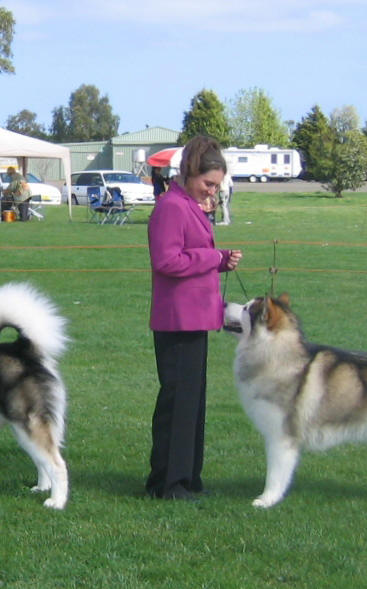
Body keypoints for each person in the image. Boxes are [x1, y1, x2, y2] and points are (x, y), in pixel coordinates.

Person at [145, 135, 242, 500]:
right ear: (189, 173)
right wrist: (213, 259)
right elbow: (167, 261)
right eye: (208, 183)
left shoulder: (189, 206)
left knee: (192, 404)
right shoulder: (171, 206)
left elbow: (194, 253)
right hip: (177, 321)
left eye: (216, 185)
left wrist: (221, 259)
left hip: (196, 318)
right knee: (178, 404)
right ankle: (168, 483)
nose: (212, 190)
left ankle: (186, 477)